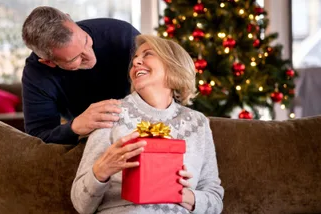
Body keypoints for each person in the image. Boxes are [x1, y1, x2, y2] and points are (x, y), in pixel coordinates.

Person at [71, 35, 224, 214]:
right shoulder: (111, 113)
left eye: (147, 54)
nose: (136, 62)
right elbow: (81, 205)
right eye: (135, 59)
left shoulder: (198, 123)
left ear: (173, 65)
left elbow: (215, 200)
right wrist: (101, 171)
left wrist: (181, 194)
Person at [21, 6, 140, 144]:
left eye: (85, 40)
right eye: (75, 58)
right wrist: (75, 126)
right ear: (48, 62)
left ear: (70, 18)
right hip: (90, 140)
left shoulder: (121, 34)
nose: (90, 56)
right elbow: (39, 137)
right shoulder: (36, 75)